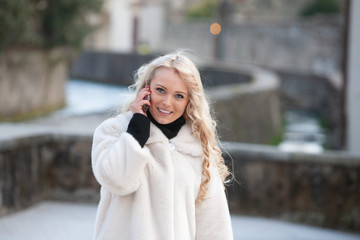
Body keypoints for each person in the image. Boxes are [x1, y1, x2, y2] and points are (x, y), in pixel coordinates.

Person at [91, 51, 233, 240]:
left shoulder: (199, 149)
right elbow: (118, 181)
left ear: (189, 101)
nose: (167, 102)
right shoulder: (114, 131)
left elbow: (214, 226)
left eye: (179, 96)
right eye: (160, 90)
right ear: (146, 89)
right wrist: (136, 133)